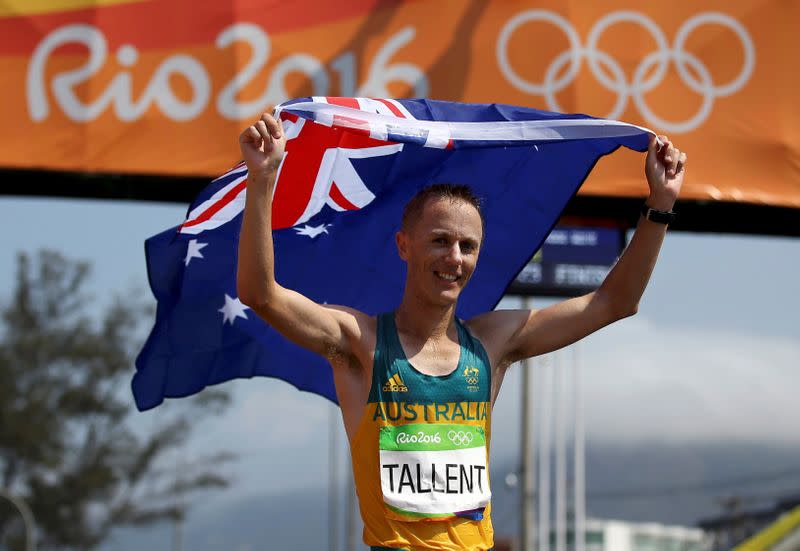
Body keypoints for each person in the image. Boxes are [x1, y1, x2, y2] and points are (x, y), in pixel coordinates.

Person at [236, 112, 686, 551]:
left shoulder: (492, 342)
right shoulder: (361, 341)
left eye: (468, 246)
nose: (455, 257)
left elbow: (613, 303)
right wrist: (262, 182)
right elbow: (262, 295)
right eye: (439, 240)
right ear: (403, 245)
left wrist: (660, 205)